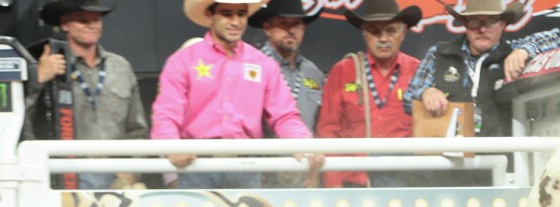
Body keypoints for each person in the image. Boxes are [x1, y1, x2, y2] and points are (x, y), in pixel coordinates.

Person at [152, 0, 322, 189]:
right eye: (227, 14)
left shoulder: (263, 64)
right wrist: (173, 147)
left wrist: (302, 143)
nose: (235, 22)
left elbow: (284, 115)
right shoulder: (183, 61)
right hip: (196, 163)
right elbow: (166, 114)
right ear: (210, 15)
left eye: (241, 14)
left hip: (246, 165)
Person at [402, 0, 560, 138]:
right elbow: (409, 98)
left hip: (502, 156)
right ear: (465, 24)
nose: (482, 29)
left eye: (490, 22)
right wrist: (425, 93)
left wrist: (524, 51)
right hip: (449, 158)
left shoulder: (513, 51)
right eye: (475, 22)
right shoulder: (439, 54)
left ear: (502, 24)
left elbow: (555, 39)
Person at [29, 0, 148, 190]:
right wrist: (38, 78)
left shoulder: (120, 66)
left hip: (116, 175)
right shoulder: (45, 64)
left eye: (96, 19)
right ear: (65, 24)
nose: (91, 25)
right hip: (63, 174)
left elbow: (137, 128)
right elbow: (23, 121)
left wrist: (131, 170)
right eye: (83, 20)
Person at [316, 0, 422, 188]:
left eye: (391, 31)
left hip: (405, 179)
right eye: (375, 32)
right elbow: (328, 130)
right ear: (364, 33)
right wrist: (333, 187)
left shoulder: (418, 71)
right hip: (353, 180)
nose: (383, 38)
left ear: (403, 32)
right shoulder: (343, 71)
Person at [250, 0, 323, 132]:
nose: (291, 30)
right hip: (264, 145)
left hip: (306, 144)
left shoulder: (314, 73)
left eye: (297, 24)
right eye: (283, 23)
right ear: (267, 28)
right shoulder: (253, 68)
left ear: (304, 28)